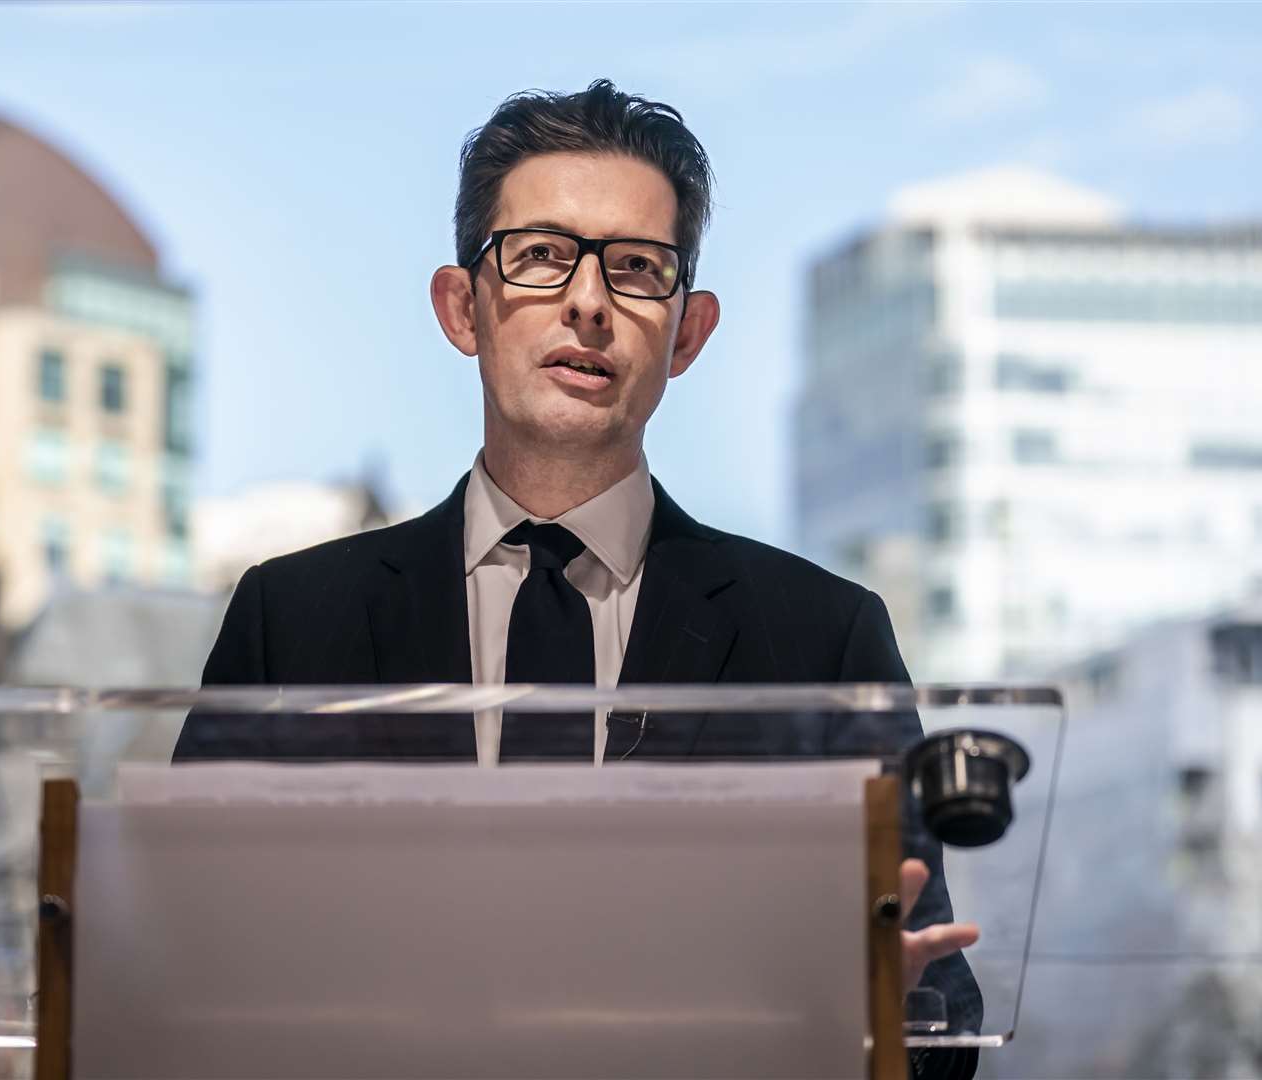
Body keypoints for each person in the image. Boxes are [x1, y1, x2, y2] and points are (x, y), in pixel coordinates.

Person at [175, 79, 982, 1079]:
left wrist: (881, 1017)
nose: (589, 302)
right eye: (544, 256)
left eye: (638, 269)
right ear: (462, 306)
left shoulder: (824, 639)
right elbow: (176, 966)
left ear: (687, 333)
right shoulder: (290, 621)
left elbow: (943, 1017)